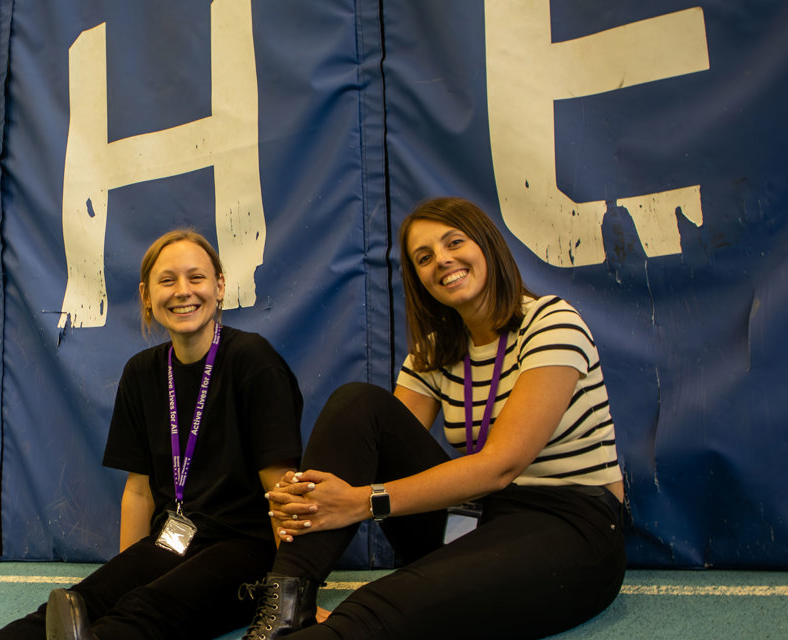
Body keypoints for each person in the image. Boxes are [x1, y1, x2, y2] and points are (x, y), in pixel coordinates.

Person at [0, 229, 305, 640]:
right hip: (171, 540)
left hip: (246, 553)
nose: (183, 291)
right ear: (146, 295)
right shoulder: (143, 373)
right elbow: (139, 491)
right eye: (167, 280)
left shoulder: (252, 361)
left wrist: (291, 594)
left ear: (219, 286)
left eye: (196, 277)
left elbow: (283, 491)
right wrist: (131, 571)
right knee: (78, 602)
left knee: (147, 609)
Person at [241, 197, 626, 640]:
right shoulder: (433, 352)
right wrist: (305, 504)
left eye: (454, 242)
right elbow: (373, 442)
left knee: (376, 610)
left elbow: (502, 465)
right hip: (483, 517)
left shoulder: (551, 322)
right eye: (424, 258)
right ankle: (286, 603)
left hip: (573, 526)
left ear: (487, 245)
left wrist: (361, 502)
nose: (441, 260)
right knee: (356, 403)